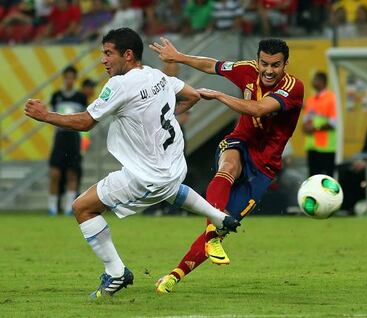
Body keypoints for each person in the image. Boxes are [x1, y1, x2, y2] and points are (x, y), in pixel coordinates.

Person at [24, 27, 240, 299]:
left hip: (144, 176)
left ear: (127, 55)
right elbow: (192, 95)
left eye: (108, 53)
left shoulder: (120, 84)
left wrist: (46, 116)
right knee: (171, 189)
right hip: (174, 168)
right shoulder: (157, 75)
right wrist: (165, 118)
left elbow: (86, 122)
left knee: (82, 208)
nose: (103, 59)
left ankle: (116, 273)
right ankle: (220, 218)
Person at [149, 37, 304, 293]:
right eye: (264, 63)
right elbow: (214, 66)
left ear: (285, 64)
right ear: (257, 60)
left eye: (275, 65)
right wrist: (178, 57)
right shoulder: (248, 70)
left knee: (224, 228)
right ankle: (212, 232)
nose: (268, 70)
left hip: (264, 167)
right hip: (240, 142)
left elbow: (258, 110)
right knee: (228, 167)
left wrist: (220, 95)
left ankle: (174, 276)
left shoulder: (293, 87)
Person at [48, 65, 87, 216]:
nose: (69, 80)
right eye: (67, 77)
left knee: (72, 172)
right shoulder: (56, 95)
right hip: (60, 137)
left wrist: (84, 144)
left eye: (72, 77)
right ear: (64, 78)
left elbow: (85, 119)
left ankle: (68, 207)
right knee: (55, 173)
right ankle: (52, 207)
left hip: (74, 137)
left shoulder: (80, 97)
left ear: (75, 79)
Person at [302, 71, 337, 177]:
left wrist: (314, 128)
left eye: (315, 80)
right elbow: (305, 122)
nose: (313, 82)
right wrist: (305, 127)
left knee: (327, 179)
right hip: (312, 147)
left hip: (327, 148)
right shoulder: (310, 100)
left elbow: (333, 123)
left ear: (323, 82)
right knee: (313, 178)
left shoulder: (332, 98)